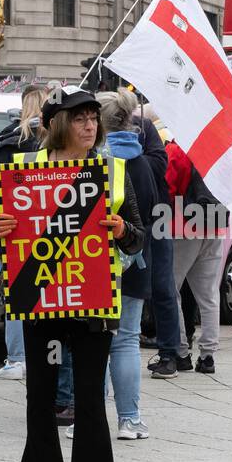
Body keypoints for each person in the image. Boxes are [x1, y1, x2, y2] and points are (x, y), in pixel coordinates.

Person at [0, 87, 144, 462]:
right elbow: (0, 229)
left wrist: (121, 231)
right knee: (39, 397)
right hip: (39, 298)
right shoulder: (23, 169)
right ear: (58, 124)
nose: (89, 125)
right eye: (79, 118)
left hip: (92, 299)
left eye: (93, 117)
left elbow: (137, 233)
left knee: (89, 400)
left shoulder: (112, 170)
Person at [0, 83, 47, 380]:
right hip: (50, 222)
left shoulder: (13, 137)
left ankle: (18, 358)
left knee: (19, 290)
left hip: (14, 224)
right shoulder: (56, 138)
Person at [99, 91, 154, 439]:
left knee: (94, 343)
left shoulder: (95, 162)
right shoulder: (143, 162)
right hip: (134, 260)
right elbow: (148, 213)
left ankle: (87, 418)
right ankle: (129, 419)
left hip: (91, 264)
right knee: (127, 340)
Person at [165, 138, 228, 374]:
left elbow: (168, 188)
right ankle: (208, 356)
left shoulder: (177, 148)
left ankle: (180, 351)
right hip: (214, 223)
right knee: (209, 294)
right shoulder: (217, 146)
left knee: (172, 290)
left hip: (182, 225)